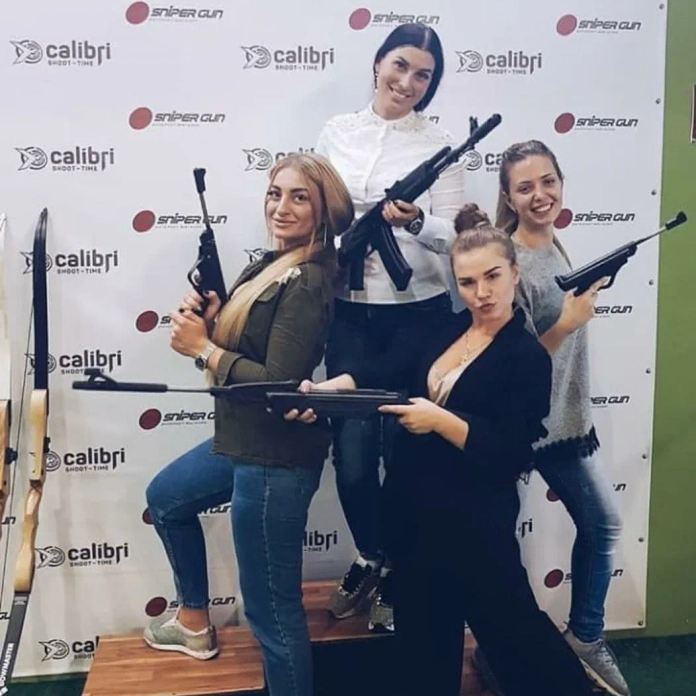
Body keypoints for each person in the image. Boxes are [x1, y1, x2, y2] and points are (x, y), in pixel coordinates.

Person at [285, 204, 595, 696]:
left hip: (476, 527)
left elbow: (512, 453)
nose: (481, 292)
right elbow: (382, 370)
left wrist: (442, 421)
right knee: (423, 654)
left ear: (514, 274)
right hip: (414, 518)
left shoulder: (527, 357)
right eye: (467, 282)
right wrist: (325, 392)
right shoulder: (445, 329)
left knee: (521, 641)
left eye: (492, 277)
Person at [143, 153, 354, 696]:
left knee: (271, 613)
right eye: (275, 193)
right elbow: (247, 347)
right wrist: (214, 320)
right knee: (166, 498)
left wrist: (204, 348)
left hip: (274, 459)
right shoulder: (269, 265)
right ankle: (193, 622)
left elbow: (277, 384)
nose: (281, 207)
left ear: (324, 210)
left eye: (299, 197)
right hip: (242, 440)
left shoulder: (306, 280)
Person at [314, 21, 466, 632]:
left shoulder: (441, 143)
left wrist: (416, 220)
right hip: (350, 316)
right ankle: (373, 554)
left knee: (405, 460)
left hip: (419, 320)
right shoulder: (337, 133)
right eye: (400, 65)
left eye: (423, 75)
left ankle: (398, 573)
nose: (408, 82)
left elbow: (457, 237)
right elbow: (320, 211)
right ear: (378, 63)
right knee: (352, 462)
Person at [472, 140, 630, 696]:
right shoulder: (510, 261)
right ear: (508, 196)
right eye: (525, 187)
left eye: (548, 182)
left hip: (568, 418)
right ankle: (567, 641)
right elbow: (510, 366)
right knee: (523, 547)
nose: (540, 195)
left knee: (592, 528)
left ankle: (571, 640)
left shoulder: (553, 244)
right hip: (534, 428)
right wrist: (567, 321)